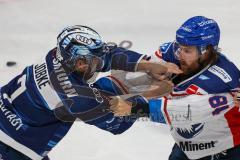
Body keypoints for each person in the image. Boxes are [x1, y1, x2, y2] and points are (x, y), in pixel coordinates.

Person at [0, 25, 182, 160]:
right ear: (80, 63)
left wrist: (148, 64)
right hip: (13, 147)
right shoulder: (73, 95)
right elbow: (116, 123)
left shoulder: (57, 54)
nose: (100, 62)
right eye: (94, 60)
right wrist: (151, 94)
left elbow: (108, 55)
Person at [110, 16, 240, 160]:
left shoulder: (223, 80)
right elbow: (140, 74)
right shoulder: (171, 52)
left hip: (226, 150)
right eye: (179, 48)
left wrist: (137, 108)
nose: (179, 55)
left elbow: (189, 110)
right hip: (187, 146)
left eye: (187, 51)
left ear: (207, 51)